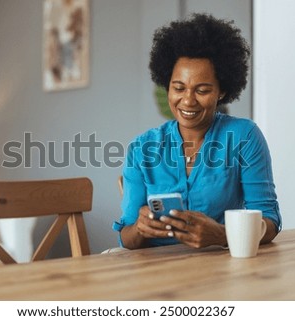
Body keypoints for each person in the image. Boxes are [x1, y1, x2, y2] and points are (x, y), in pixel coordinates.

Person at [112, 13, 282, 250]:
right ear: (167, 86)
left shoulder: (244, 136)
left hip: (222, 271)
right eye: (178, 88)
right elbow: (126, 237)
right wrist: (140, 228)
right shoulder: (141, 149)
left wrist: (223, 235)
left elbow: (270, 221)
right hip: (155, 273)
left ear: (221, 91)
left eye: (202, 90)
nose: (188, 101)